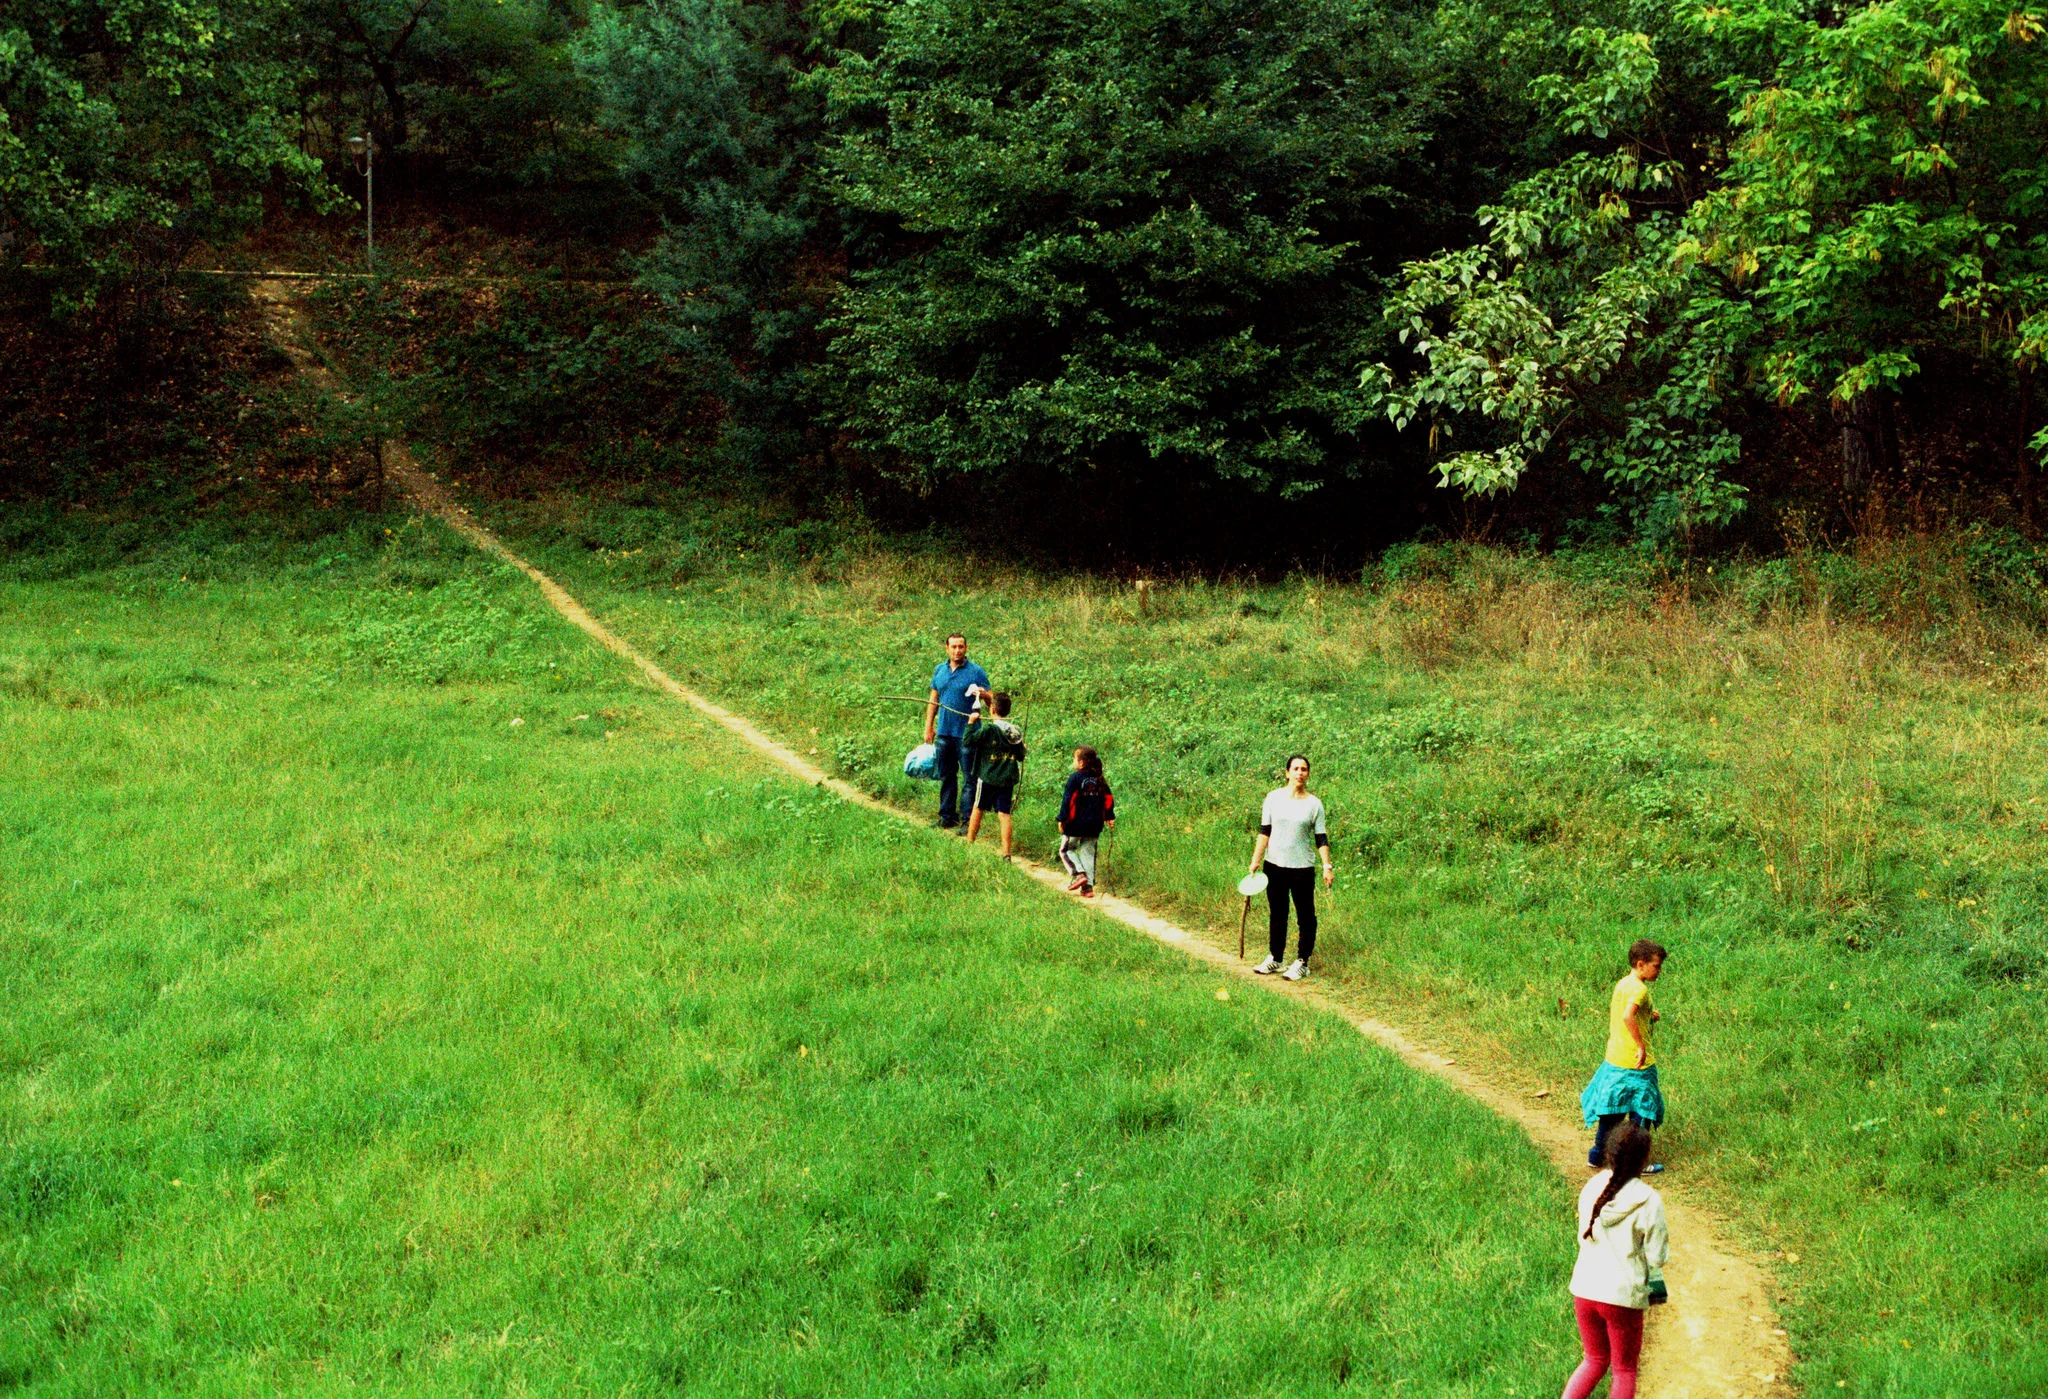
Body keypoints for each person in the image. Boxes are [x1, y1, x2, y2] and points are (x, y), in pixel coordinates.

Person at [1559, 1122, 1668, 1399]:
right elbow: (1658, 1256)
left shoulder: (1592, 1186)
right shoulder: (1648, 1200)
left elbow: (1583, 1237)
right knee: (1624, 1370)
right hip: (1621, 1297)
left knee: (1593, 1360)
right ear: (1643, 1160)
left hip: (1584, 1289)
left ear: (1609, 1153)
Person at [1580, 939, 1669, 1170]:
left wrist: (1649, 1016)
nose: (1659, 971)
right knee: (1641, 1114)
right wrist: (1641, 1045)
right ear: (1641, 964)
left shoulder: (1624, 984)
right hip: (1637, 1065)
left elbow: (1630, 1013)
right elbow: (1628, 1016)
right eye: (1656, 966)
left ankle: (1597, 1155)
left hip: (1615, 1060)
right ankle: (1635, 1163)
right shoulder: (1640, 989)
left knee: (1611, 1114)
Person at [1247, 754, 1333, 981]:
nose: (1300, 773)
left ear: (1308, 774)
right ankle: (1276, 958)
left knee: (1306, 917)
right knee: (1278, 913)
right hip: (1274, 865)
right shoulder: (1273, 798)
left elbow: (1321, 837)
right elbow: (1264, 831)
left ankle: (1302, 961)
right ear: (1287, 773)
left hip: (1302, 868)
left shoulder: (1315, 804)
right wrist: (1256, 860)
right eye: (1295, 769)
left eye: (1304, 769)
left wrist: (1327, 866)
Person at [923, 633, 990, 831]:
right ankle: (947, 817)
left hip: (967, 735)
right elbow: (933, 699)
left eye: (960, 646)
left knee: (970, 778)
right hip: (944, 733)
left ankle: (967, 821)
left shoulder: (976, 671)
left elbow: (990, 699)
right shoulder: (940, 670)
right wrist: (929, 727)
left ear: (966, 648)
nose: (957, 650)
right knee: (946, 775)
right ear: (947, 649)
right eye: (953, 647)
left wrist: (983, 693)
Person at [963, 691, 1026, 858]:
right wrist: (1022, 745)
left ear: (991, 709)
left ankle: (969, 843)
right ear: (1008, 711)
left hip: (988, 777)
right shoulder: (1015, 732)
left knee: (978, 808)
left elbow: (968, 741)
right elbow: (1021, 756)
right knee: (1004, 814)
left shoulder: (989, 730)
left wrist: (970, 723)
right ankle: (1006, 853)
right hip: (1006, 780)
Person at [1055, 746, 1114, 897]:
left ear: (1081, 763)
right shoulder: (1100, 779)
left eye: (1074, 759)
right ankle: (1087, 889)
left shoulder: (1074, 778)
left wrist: (1062, 819)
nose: (1073, 762)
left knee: (1066, 850)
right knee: (1088, 852)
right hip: (1095, 825)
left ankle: (1079, 874)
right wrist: (1109, 816)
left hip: (1075, 824)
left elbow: (1068, 801)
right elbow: (1108, 799)